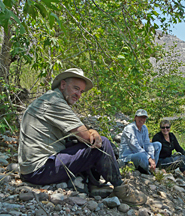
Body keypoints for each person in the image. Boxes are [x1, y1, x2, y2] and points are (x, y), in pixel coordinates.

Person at [18, 68, 146, 205]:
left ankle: (94, 184)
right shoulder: (54, 102)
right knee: (102, 143)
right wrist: (93, 133)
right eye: (76, 88)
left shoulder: (50, 98)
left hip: (31, 168)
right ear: (63, 85)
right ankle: (121, 189)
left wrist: (90, 132)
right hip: (39, 170)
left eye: (81, 91)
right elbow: (86, 136)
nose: (78, 94)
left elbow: (77, 134)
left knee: (81, 143)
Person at [152, 120, 185, 185]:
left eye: (167, 127)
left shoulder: (171, 136)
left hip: (169, 158)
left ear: (170, 128)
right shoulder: (157, 137)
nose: (165, 129)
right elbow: (152, 152)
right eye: (163, 127)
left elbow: (178, 148)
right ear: (160, 128)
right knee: (180, 160)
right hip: (161, 162)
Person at [119, 109, 162, 174]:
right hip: (128, 156)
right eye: (140, 117)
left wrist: (152, 158)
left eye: (144, 117)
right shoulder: (129, 128)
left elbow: (147, 144)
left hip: (141, 153)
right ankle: (148, 170)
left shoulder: (144, 128)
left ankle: (152, 167)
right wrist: (149, 158)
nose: (142, 119)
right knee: (141, 155)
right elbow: (135, 147)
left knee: (157, 145)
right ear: (135, 117)